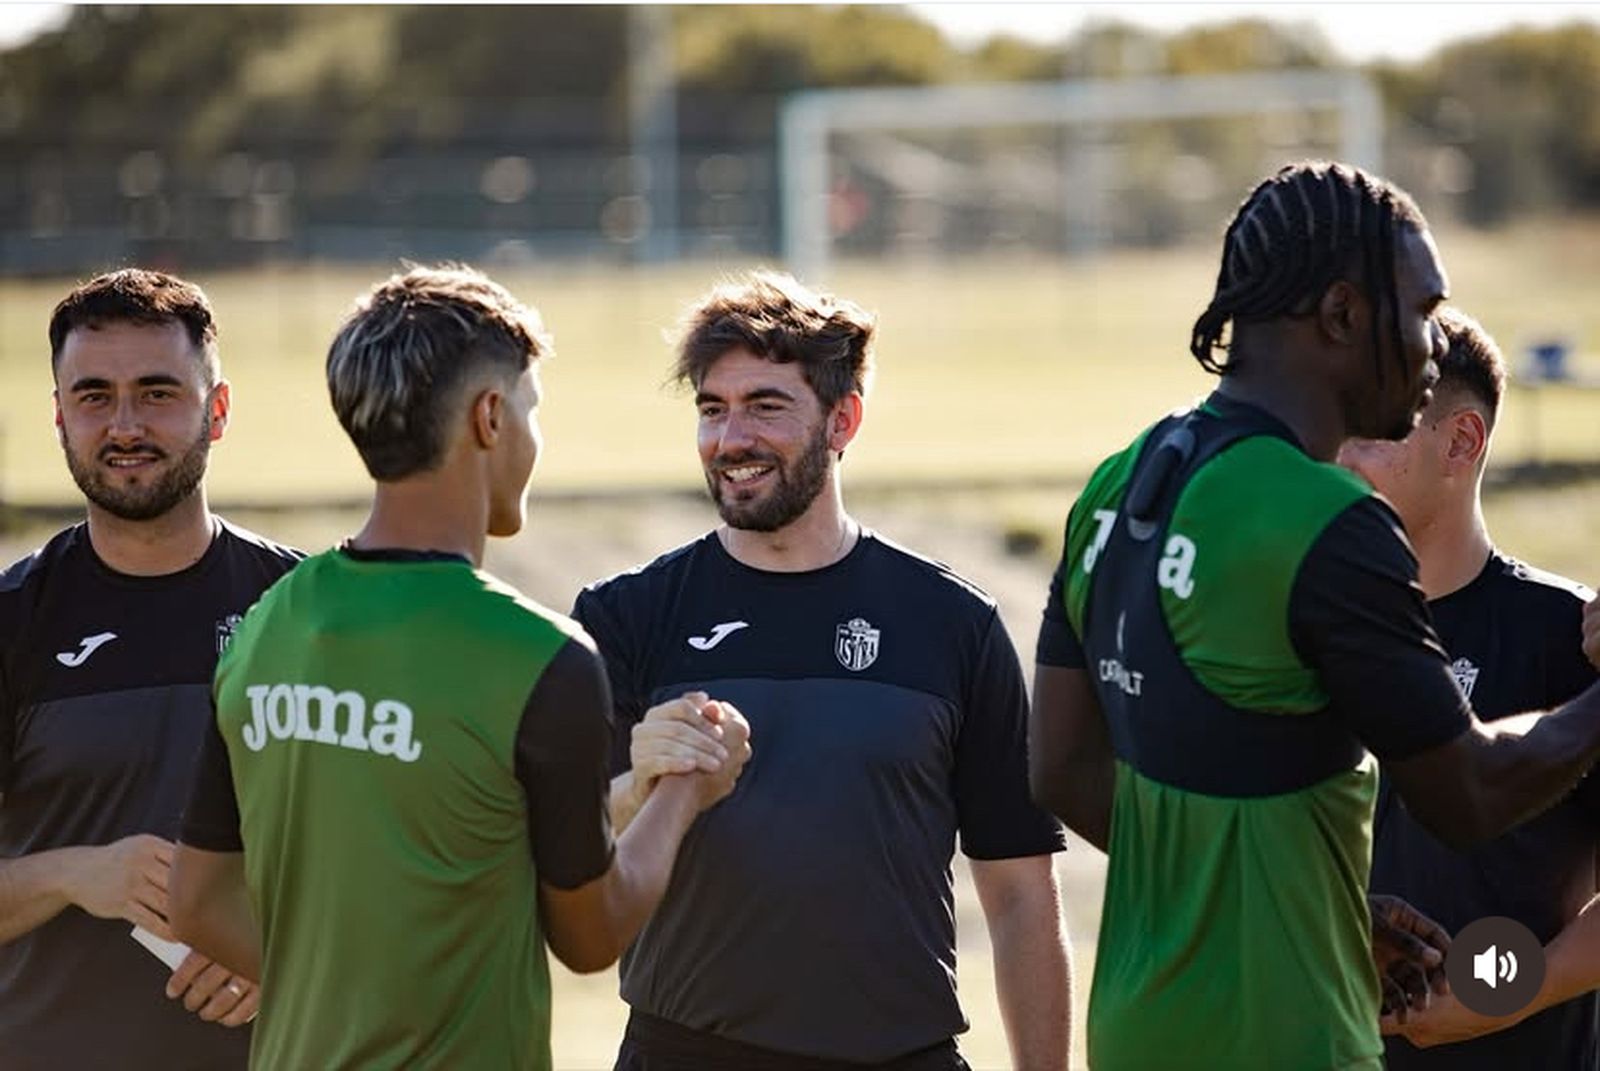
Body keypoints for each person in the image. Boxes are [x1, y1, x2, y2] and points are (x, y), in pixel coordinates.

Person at [1029, 160, 1600, 1071]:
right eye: (1420, 311)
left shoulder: (1119, 480)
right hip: (1286, 1040)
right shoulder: (1326, 518)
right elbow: (1468, 793)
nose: (1429, 348)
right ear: (1342, 314)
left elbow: (1060, 769)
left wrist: (1312, 904)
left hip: (1137, 1029)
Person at [168, 265, 749, 1071]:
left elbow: (196, 899)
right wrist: (687, 786)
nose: (534, 439)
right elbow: (591, 933)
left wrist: (344, 988)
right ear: (489, 416)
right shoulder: (540, 658)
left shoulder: (268, 622)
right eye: (531, 411)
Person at [573, 270, 1070, 1071]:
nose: (731, 439)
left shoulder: (953, 622)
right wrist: (642, 781)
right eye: (712, 408)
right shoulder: (625, 615)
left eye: (765, 406)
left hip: (902, 1055)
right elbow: (566, 858)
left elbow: (1019, 893)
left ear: (843, 420)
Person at [0, 269, 301, 1067]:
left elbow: (394, 858)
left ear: (218, 409)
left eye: (158, 393)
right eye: (94, 396)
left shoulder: (307, 611)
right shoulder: (13, 621)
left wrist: (283, 943)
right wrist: (76, 873)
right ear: (59, 416)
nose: (125, 424)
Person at [1339, 309, 1600, 1066]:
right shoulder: (1303, 630)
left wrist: (1499, 993)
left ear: (1460, 441)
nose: (1340, 457)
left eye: (1372, 432)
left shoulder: (1567, 636)